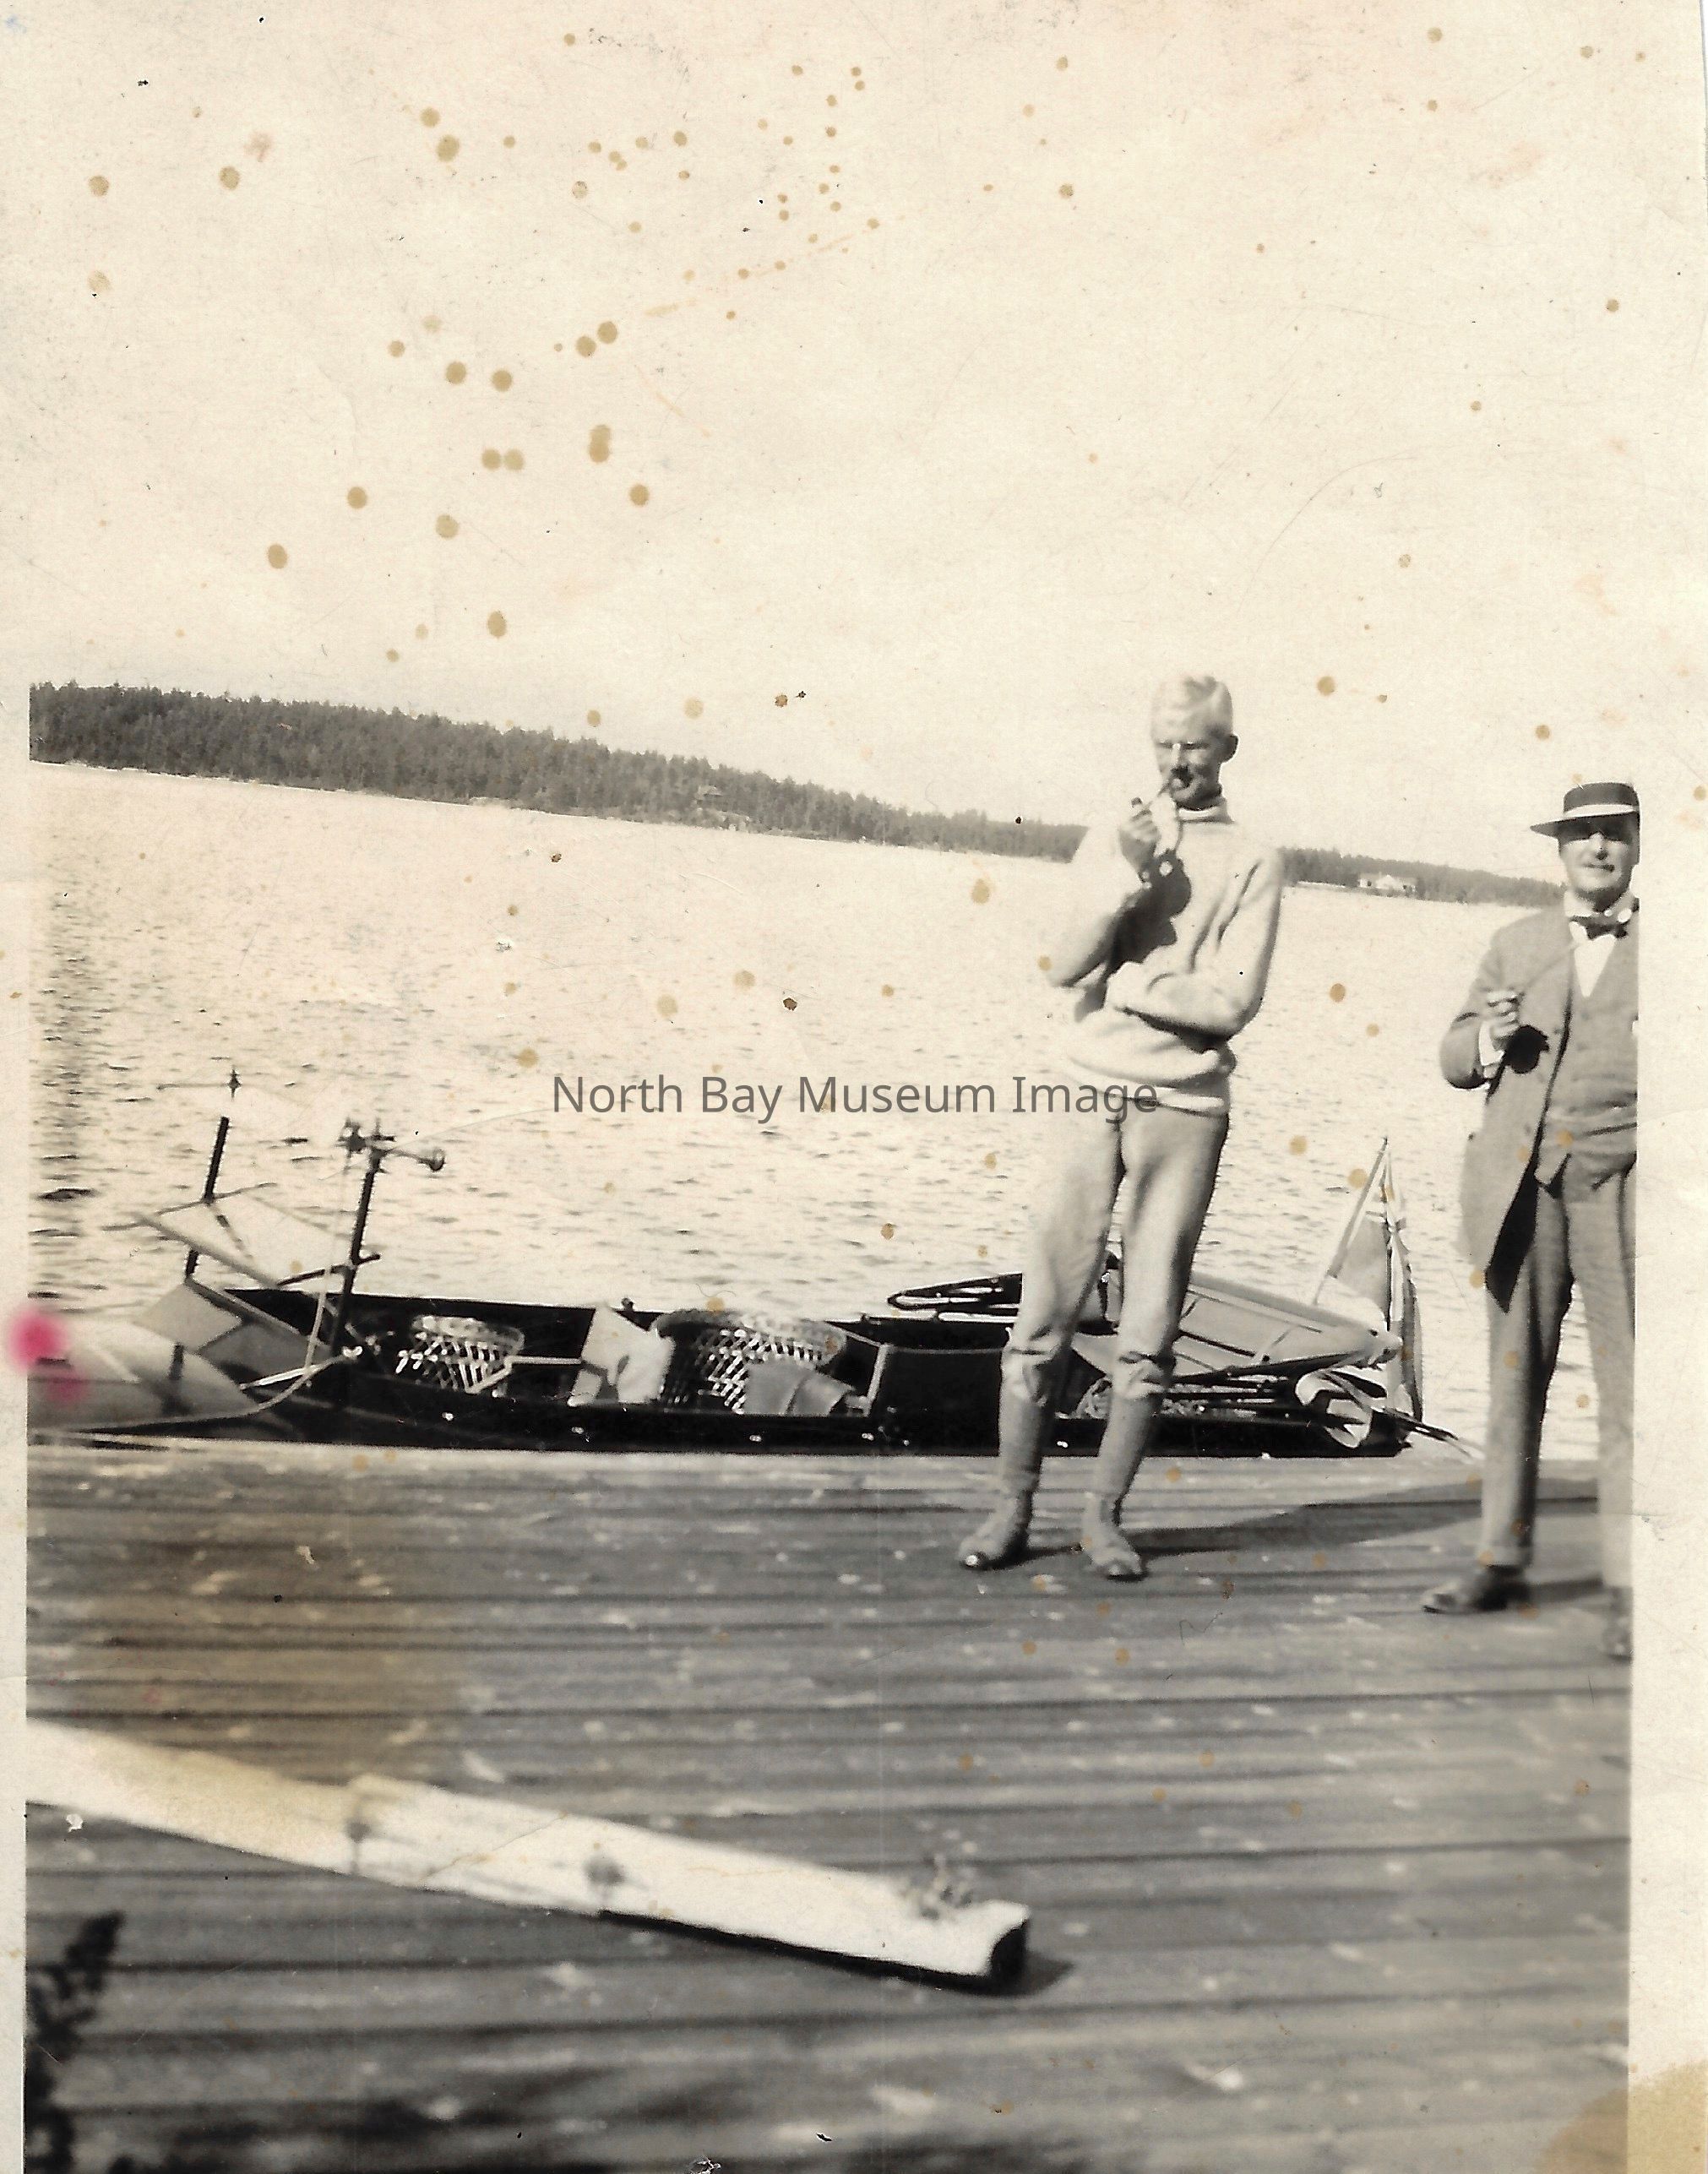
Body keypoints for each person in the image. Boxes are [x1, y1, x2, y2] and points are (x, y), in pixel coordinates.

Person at [958, 675, 1285, 1579]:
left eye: (1196, 745)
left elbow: (1232, 1003)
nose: (1178, 761)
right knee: (1043, 1314)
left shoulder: (1256, 858)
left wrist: (1132, 985)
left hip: (1185, 1109)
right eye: (1164, 743)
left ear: (1227, 749)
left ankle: (1104, 1518)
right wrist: (1127, 877)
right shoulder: (1115, 835)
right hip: (1084, 1093)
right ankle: (1011, 1508)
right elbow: (1064, 965)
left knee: (1147, 1331)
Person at [1425, 782, 1639, 1661]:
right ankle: (1500, 1560)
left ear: (1636, 846)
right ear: (1560, 849)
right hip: (1524, 1186)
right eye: (1582, 834)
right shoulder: (1514, 944)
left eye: (1614, 833)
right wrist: (1488, 1037)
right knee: (1513, 1378)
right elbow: (1452, 1058)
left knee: (1635, 1392)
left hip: (1628, 1189)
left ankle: (1635, 1589)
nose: (1598, 848)